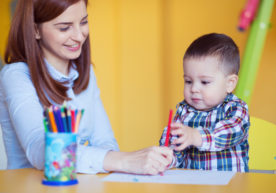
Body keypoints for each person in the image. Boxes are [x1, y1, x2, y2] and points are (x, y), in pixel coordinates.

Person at [0, 0, 173, 175]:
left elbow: (106, 143)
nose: (79, 35)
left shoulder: (85, 72)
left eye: (83, 22)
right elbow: (41, 151)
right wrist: (124, 160)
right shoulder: (16, 75)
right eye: (64, 27)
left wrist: (116, 159)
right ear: (35, 30)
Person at [160, 33, 250, 172]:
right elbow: (178, 153)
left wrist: (195, 136)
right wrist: (168, 157)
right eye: (188, 81)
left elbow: (232, 132)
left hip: (230, 186)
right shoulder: (184, 112)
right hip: (192, 185)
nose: (194, 89)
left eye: (205, 82)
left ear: (229, 84)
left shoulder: (236, 108)